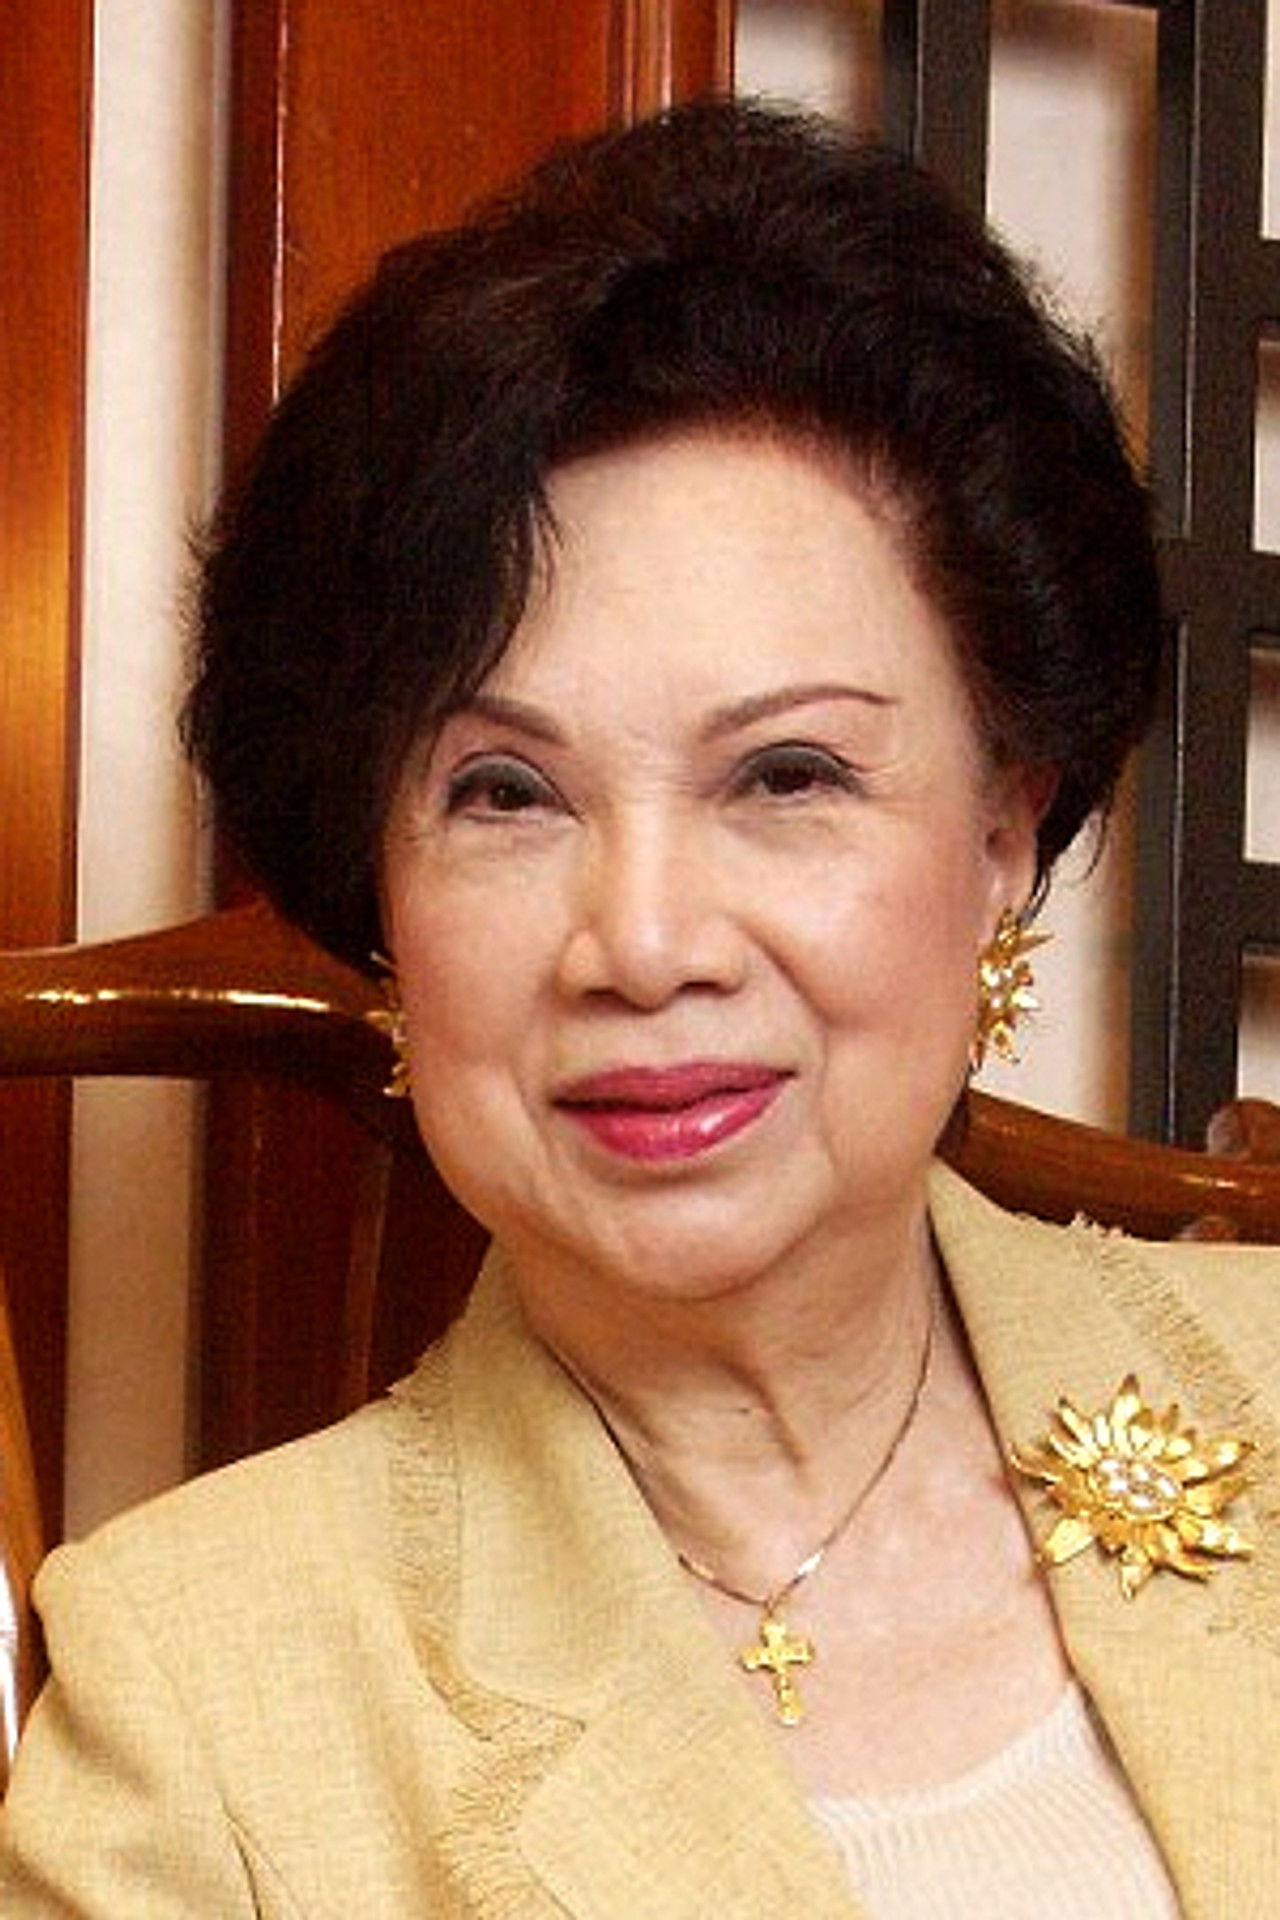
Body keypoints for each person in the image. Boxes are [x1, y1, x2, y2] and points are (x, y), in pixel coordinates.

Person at [2, 98, 1276, 1919]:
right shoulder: (200, 1696)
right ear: (383, 900)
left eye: (788, 774)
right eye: (506, 795)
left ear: (1003, 833)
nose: (648, 942)